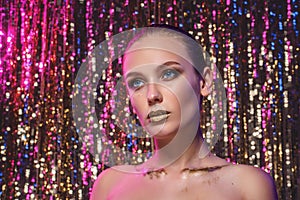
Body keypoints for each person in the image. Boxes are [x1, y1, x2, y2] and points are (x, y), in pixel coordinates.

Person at [91, 25, 278, 200]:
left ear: (204, 82)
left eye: (168, 74)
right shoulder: (110, 185)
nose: (152, 95)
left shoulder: (248, 185)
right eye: (137, 83)